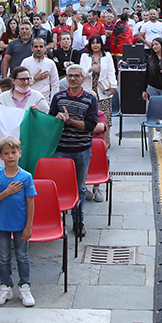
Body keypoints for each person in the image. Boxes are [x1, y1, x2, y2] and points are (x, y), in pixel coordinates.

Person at [0, 135, 37, 307]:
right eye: (6, 153)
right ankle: (5, 287)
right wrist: (6, 192)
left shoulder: (26, 177)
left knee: (22, 256)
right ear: (0, 156)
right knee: (3, 257)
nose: (10, 156)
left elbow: (31, 202)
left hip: (20, 224)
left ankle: (24, 286)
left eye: (13, 152)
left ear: (19, 153)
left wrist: (28, 226)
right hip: (1, 225)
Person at [50, 64, 99, 238]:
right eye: (69, 75)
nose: (72, 78)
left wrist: (69, 121)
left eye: (76, 76)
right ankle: (58, 221)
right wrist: (56, 119)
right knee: (58, 188)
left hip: (81, 150)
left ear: (83, 79)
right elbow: (50, 122)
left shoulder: (90, 99)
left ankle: (78, 221)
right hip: (61, 150)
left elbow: (91, 126)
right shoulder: (58, 98)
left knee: (80, 187)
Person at [80, 35, 116, 120]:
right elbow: (81, 73)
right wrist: (91, 69)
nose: (95, 45)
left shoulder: (107, 56)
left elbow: (111, 72)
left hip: (104, 91)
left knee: (105, 121)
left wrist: (113, 86)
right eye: (93, 43)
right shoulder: (84, 56)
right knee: (89, 119)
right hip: (89, 91)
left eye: (97, 43)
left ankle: (107, 134)